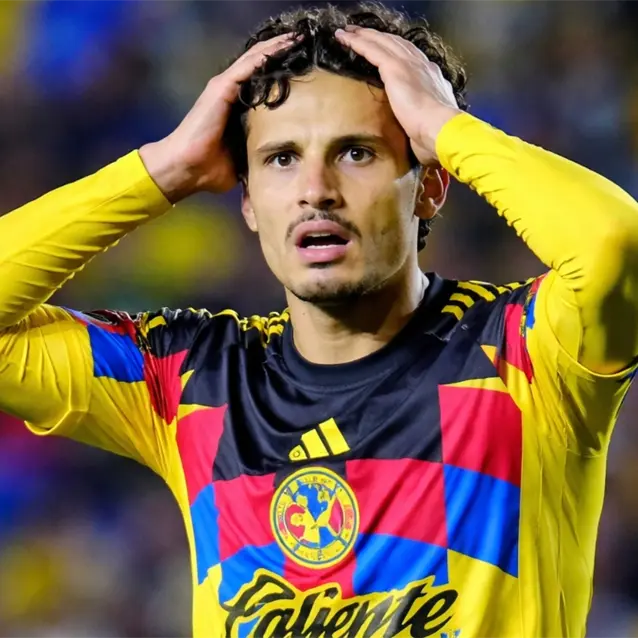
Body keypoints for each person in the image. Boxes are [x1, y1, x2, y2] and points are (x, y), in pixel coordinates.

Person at [1, 2, 637, 637]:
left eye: (356, 153)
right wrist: (163, 169)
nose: (315, 190)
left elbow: (613, 246)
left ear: (430, 185)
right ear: (249, 201)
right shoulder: (187, 379)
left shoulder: (526, 354)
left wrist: (448, 128)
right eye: (281, 159)